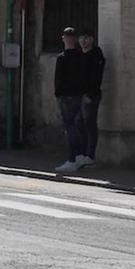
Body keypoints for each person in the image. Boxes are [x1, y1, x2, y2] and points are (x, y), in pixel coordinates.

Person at [53, 26, 87, 173]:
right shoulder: (81, 57)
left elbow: (58, 79)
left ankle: (72, 159)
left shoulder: (62, 58)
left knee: (70, 127)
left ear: (64, 39)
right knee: (77, 126)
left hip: (66, 96)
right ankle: (79, 155)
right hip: (78, 95)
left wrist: (58, 94)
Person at [79, 29, 106, 166]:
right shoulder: (79, 55)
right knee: (79, 124)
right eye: (81, 38)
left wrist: (90, 94)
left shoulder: (96, 55)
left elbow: (96, 77)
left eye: (86, 38)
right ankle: (82, 153)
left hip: (91, 95)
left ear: (92, 39)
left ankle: (89, 155)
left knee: (89, 124)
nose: (83, 41)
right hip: (79, 95)